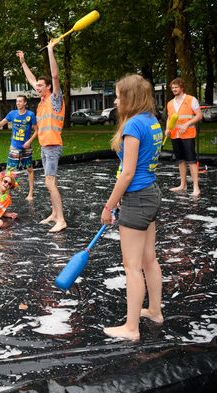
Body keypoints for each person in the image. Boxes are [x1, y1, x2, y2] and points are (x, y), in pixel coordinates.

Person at [101, 74, 163, 340]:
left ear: (130, 97)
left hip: (137, 198)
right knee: (149, 259)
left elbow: (127, 174)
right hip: (151, 193)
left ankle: (131, 328)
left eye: (118, 95)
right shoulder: (151, 121)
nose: (115, 101)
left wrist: (109, 206)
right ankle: (155, 311)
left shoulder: (133, 126)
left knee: (132, 266)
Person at [18, 40, 67, 232]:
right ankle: (55, 214)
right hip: (45, 146)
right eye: (36, 85)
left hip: (53, 145)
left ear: (48, 87)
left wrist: (50, 50)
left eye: (40, 85)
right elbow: (31, 79)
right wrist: (23, 62)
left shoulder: (55, 99)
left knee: (49, 182)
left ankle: (61, 219)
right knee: (49, 183)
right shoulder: (41, 101)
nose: (36, 87)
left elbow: (55, 75)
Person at [0, 95, 38, 200]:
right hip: (14, 147)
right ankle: (4, 195)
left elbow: (37, 131)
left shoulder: (30, 115)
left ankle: (31, 193)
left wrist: (29, 141)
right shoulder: (12, 114)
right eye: (17, 101)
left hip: (26, 147)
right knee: (9, 172)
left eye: (20, 101)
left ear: (25, 103)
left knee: (29, 169)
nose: (18, 103)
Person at [166, 77, 203, 197]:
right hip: (175, 135)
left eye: (176, 87)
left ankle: (196, 187)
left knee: (191, 161)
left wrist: (187, 124)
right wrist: (167, 129)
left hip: (188, 134)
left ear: (182, 87)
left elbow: (199, 116)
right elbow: (169, 118)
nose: (174, 89)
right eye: (172, 88)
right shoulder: (170, 103)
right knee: (180, 161)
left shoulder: (191, 99)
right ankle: (183, 185)